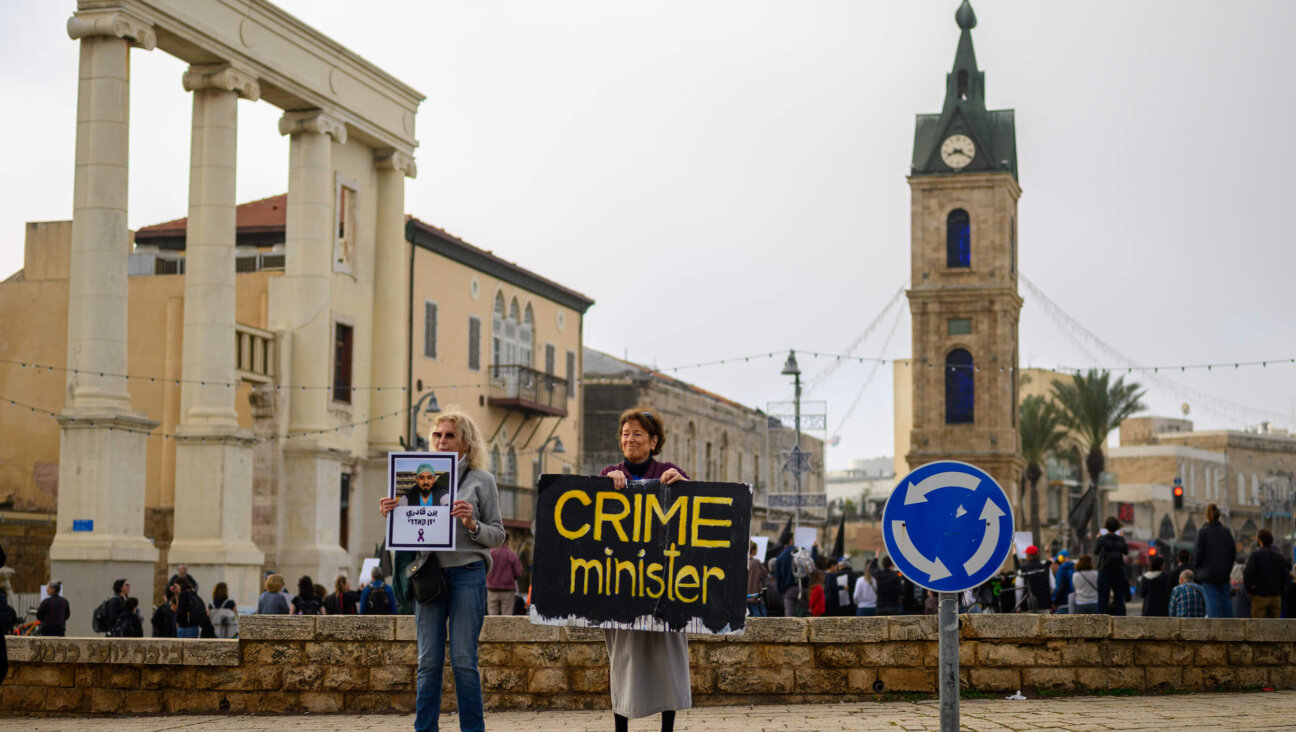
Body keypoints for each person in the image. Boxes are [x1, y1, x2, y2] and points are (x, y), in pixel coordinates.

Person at [379, 408, 505, 732]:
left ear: (466, 441)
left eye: (450, 435)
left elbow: (498, 534)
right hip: (429, 574)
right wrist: (393, 513)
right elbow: (410, 531)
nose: (442, 441)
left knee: (464, 661)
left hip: (467, 572)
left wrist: (472, 524)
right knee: (428, 662)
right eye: (438, 435)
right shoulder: (417, 476)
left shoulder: (482, 480)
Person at [594, 406, 692, 732]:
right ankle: (621, 726)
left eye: (637, 434)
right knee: (623, 659)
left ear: (653, 441)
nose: (630, 439)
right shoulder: (610, 472)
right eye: (625, 434)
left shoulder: (669, 470)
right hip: (622, 584)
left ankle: (668, 728)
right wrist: (605, 483)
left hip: (662, 585)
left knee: (668, 658)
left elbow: (693, 510)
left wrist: (683, 484)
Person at [1193, 503, 1236, 618]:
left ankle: (1214, 628)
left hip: (1207, 574)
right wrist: (1228, 567)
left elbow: (1197, 554)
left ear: (1207, 516)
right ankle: (1229, 627)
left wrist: (1197, 568)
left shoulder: (1202, 532)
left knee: (1211, 601)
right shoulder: (1226, 532)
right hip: (1223, 573)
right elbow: (1233, 552)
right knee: (1226, 601)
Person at [1244, 528, 1291, 618]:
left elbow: (1248, 574)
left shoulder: (1256, 555)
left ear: (1259, 540)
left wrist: (1249, 590)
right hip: (1276, 596)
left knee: (1258, 626)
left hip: (1260, 595)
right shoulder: (1279, 556)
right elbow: (1285, 574)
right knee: (1274, 627)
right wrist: (1280, 591)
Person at [1094, 517, 1129, 615]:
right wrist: (1123, 538)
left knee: (1102, 599)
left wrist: (1098, 538)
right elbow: (1126, 551)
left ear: (1106, 527)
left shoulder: (1102, 539)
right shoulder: (1120, 539)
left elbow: (1096, 552)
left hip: (1104, 570)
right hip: (1118, 570)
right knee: (1119, 599)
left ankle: (1101, 622)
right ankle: (1120, 622)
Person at [486, 543, 524, 615]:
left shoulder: (490, 553)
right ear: (507, 541)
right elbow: (518, 572)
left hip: (492, 589)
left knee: (492, 616)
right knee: (507, 615)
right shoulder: (511, 554)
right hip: (508, 590)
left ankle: (493, 626)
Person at [1016, 545, 1051, 612]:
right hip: (1044, 605)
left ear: (1028, 556)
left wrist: (1018, 606)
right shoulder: (1045, 568)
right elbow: (1052, 586)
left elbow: (1019, 589)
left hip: (1028, 605)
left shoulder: (1022, 569)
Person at [773, 533, 799, 617]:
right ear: (791, 540)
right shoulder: (800, 552)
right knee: (806, 615)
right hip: (802, 587)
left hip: (788, 590)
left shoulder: (780, 557)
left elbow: (778, 577)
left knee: (789, 616)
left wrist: (781, 590)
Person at [745, 541, 769, 617]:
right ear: (753, 550)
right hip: (756, 596)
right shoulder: (756, 562)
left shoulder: (744, 562)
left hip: (746, 596)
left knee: (748, 619)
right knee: (761, 618)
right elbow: (764, 574)